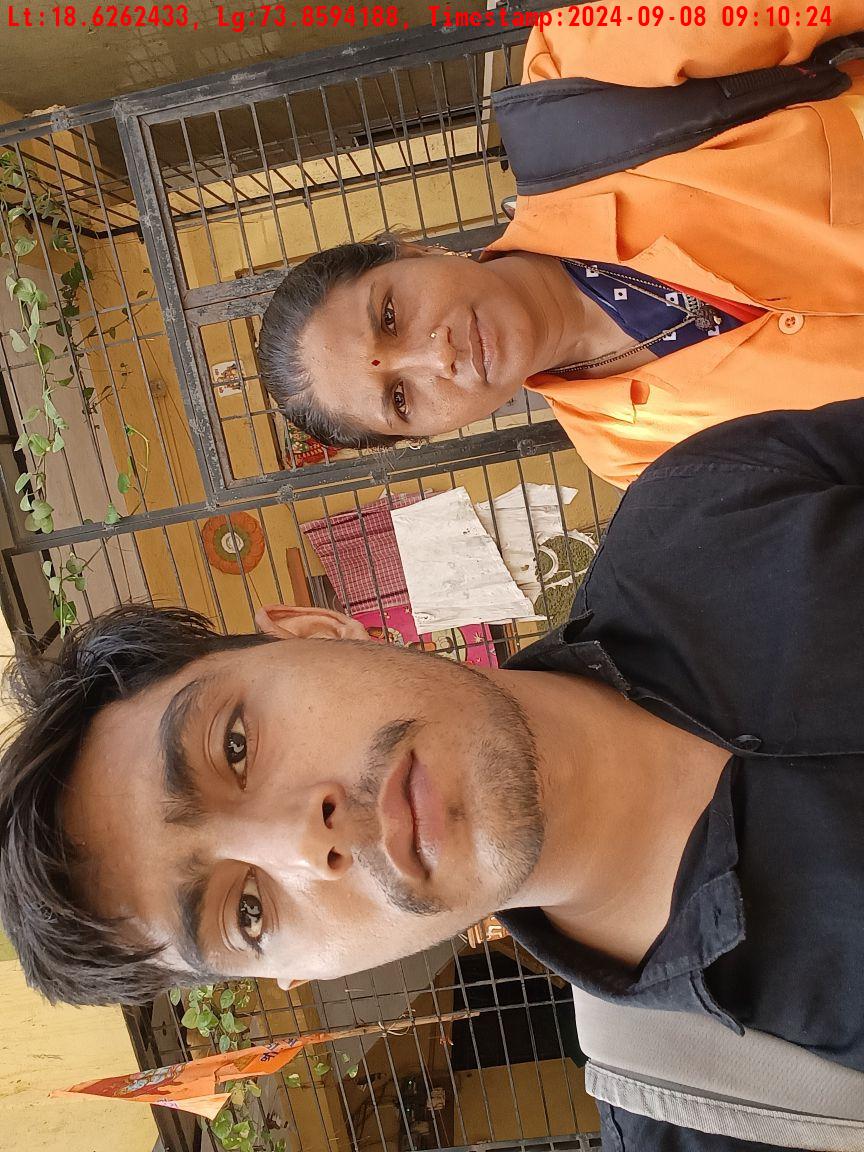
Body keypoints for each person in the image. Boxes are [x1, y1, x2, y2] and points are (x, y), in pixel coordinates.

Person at [2, 397, 864, 1151]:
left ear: (316, 630)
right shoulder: (728, 1124)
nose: (303, 838)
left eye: (234, 746)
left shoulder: (706, 503)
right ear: (301, 976)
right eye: (248, 912)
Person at [257, 2, 864, 487]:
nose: (436, 359)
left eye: (390, 316)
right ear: (429, 435)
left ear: (413, 251)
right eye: (400, 398)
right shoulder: (636, 454)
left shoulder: (580, 76)